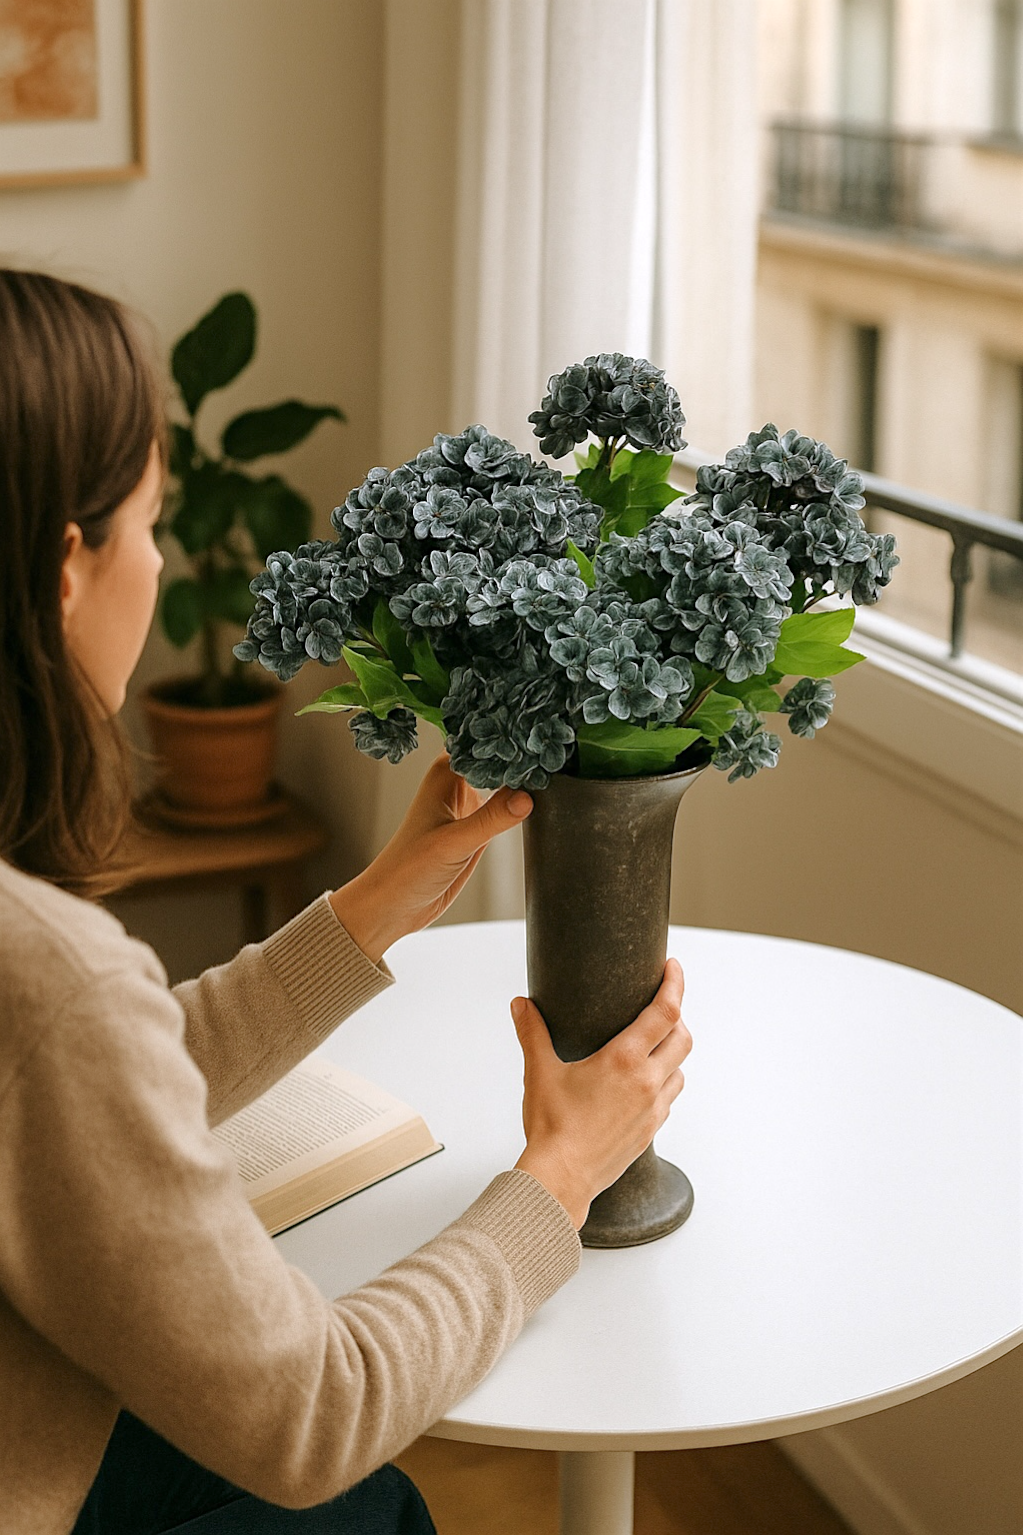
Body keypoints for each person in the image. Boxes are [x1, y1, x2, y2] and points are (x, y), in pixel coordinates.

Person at [0, 269, 692, 1536]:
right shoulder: (45, 966)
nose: (159, 562)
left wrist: (369, 912)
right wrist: (558, 1177)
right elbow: (315, 1414)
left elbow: (59, 1085)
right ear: (64, 572)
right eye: (148, 525)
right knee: (370, 1513)